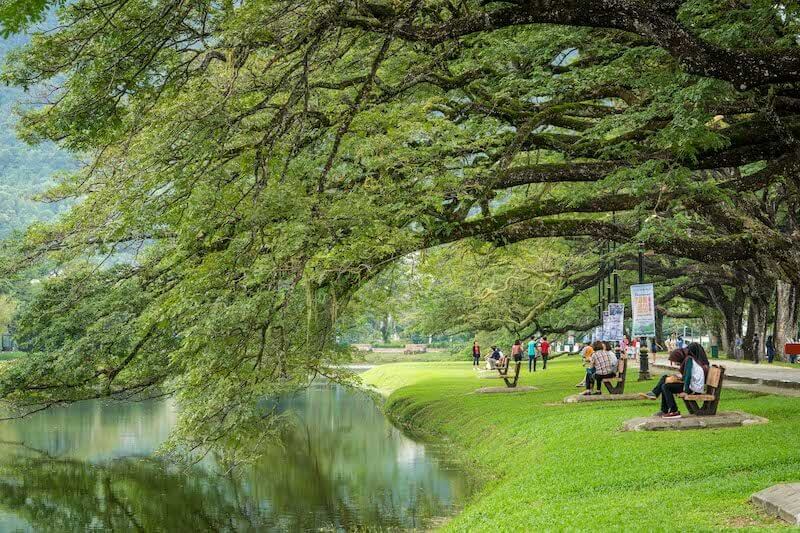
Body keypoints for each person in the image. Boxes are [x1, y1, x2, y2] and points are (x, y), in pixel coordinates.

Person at [639, 342, 709, 419]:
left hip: (693, 388)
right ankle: (663, 408)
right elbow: (688, 376)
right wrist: (678, 379)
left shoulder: (689, 359)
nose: (677, 363)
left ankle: (673, 410)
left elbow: (688, 376)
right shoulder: (690, 359)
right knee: (665, 380)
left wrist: (685, 392)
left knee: (666, 386)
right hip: (692, 386)